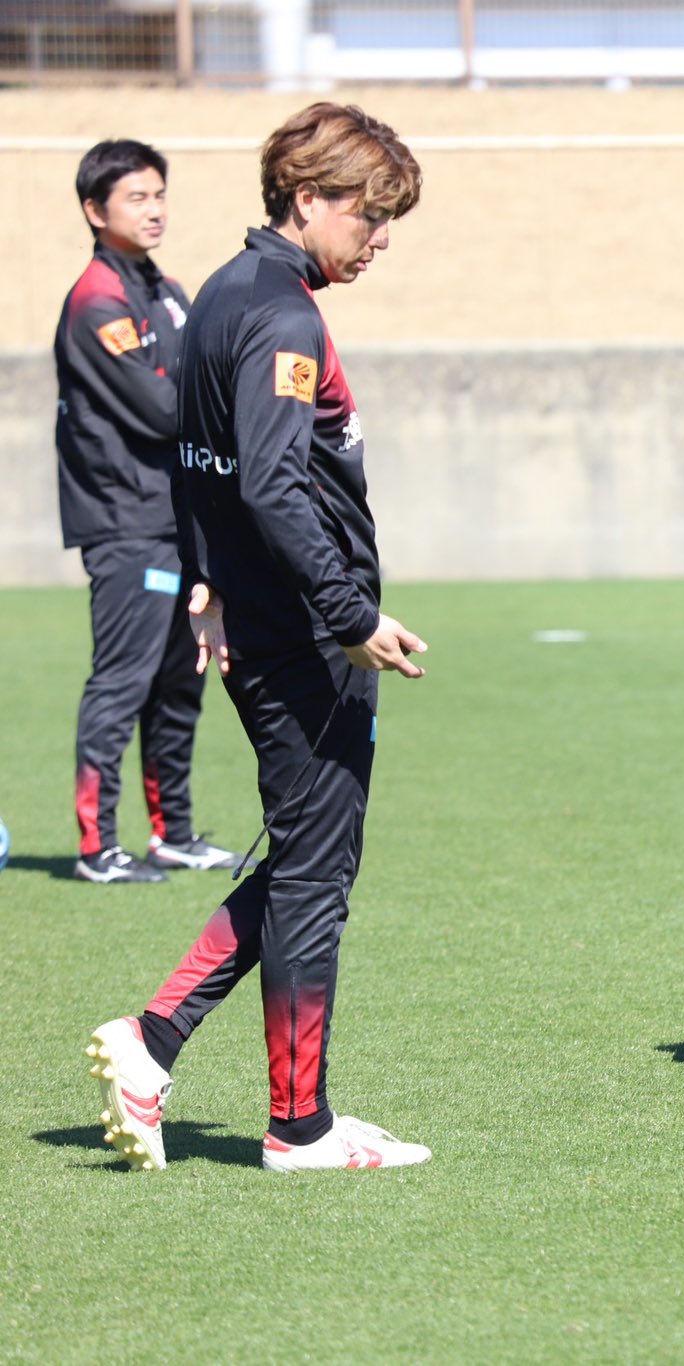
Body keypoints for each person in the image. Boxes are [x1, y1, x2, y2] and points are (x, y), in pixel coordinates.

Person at [86, 104, 433, 1173]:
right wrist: (352, 617)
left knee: (307, 860)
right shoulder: (281, 315)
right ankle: (293, 1124)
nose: (380, 239)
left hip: (267, 616)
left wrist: (206, 579)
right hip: (306, 636)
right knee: (317, 874)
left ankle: (162, 1047)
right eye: (370, 215)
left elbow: (197, 461)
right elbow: (274, 484)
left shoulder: (222, 294)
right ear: (309, 197)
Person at [55, 138, 236, 884]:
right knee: (122, 682)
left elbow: (200, 378)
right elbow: (166, 406)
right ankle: (97, 849)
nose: (154, 209)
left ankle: (174, 834)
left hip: (177, 521)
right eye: (136, 197)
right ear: (96, 211)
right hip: (126, 524)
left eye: (159, 194)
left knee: (180, 681)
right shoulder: (96, 300)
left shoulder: (167, 288)